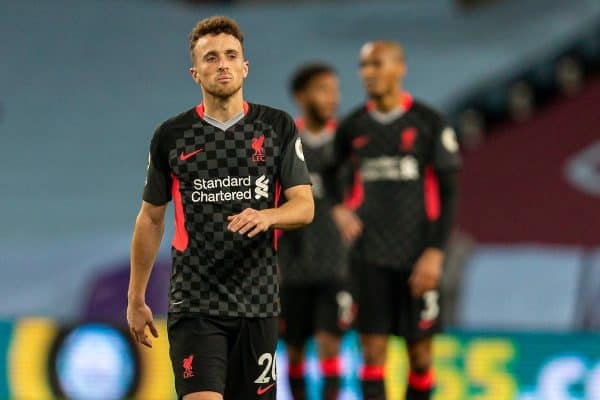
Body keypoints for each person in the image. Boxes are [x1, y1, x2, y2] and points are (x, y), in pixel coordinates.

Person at [126, 16, 314, 400]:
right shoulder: (172, 136)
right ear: (195, 73)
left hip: (258, 302)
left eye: (231, 55)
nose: (222, 64)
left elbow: (304, 207)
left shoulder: (276, 127)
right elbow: (151, 218)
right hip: (195, 302)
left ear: (245, 66)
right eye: (211, 58)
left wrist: (267, 215)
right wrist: (136, 297)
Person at [329, 41, 461, 400]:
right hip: (368, 256)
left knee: (420, 356)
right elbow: (324, 176)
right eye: (363, 66)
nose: (368, 73)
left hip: (417, 257)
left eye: (377, 64)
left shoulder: (429, 123)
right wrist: (338, 208)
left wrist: (434, 253)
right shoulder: (353, 127)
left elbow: (449, 193)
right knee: (372, 354)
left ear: (400, 68)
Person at [278, 63, 354, 400]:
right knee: (293, 350)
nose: (332, 98)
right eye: (323, 89)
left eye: (335, 90)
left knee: (329, 344)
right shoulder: (282, 144)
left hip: (336, 266)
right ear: (301, 95)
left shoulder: (347, 147)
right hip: (290, 265)